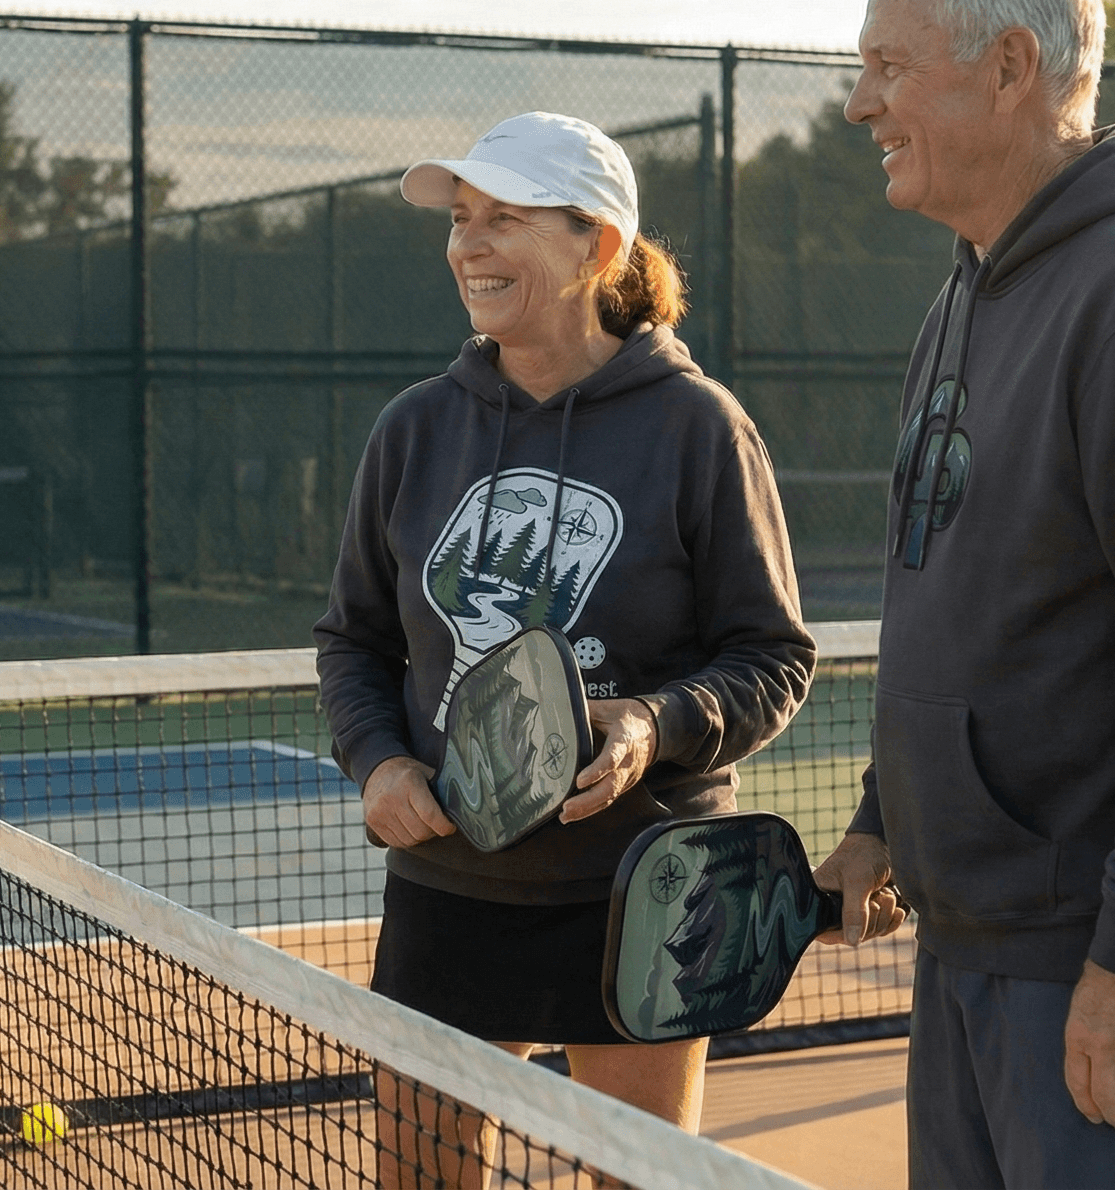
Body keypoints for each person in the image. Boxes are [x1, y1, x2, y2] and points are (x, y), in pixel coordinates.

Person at [807, 0, 1115, 1189]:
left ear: (1011, 66)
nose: (862, 105)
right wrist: (880, 823)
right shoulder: (969, 287)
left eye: (890, 69)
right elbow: (955, 596)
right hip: (973, 940)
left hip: (1096, 960)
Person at [314, 111, 818, 1181]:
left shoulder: (699, 428)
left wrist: (652, 723)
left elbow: (772, 658)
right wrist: (381, 764)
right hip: (452, 884)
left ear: (596, 246)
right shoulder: (415, 429)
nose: (468, 246)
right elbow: (352, 642)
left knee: (635, 1175)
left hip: (647, 887)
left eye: (504, 218)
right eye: (459, 220)